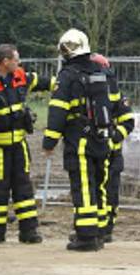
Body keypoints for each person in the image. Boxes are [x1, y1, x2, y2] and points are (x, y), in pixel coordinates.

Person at [42, 28, 115, 253]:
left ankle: (86, 237)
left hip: (79, 140)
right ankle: (100, 232)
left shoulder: (68, 75)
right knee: (100, 186)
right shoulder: (103, 72)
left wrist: (49, 142)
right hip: (102, 138)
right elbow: (113, 103)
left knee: (83, 187)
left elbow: (58, 111)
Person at [0, 43, 50, 244]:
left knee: (24, 188)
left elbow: (47, 82)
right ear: (5, 62)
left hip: (19, 145)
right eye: (16, 59)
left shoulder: (21, 76)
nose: (19, 62)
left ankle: (29, 231)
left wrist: (68, 82)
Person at [91, 53, 134, 243]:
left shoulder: (117, 95)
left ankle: (107, 229)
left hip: (113, 152)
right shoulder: (88, 93)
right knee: (94, 191)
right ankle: (95, 227)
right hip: (94, 150)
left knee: (111, 192)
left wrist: (115, 136)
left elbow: (128, 122)